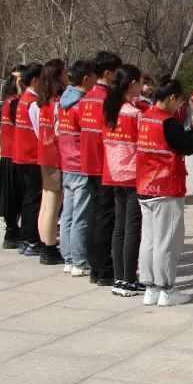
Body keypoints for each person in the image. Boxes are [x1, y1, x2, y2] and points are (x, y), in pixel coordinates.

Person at [137, 78, 193, 306]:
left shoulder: (145, 116)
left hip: (145, 187)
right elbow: (187, 146)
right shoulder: (166, 122)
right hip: (165, 187)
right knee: (167, 241)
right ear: (171, 98)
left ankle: (150, 287)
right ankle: (166, 289)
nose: (180, 107)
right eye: (179, 102)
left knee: (148, 240)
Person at [80, 50, 123, 287]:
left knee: (95, 214)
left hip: (88, 162)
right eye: (116, 73)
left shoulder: (85, 98)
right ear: (107, 73)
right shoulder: (107, 99)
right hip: (103, 164)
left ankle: (95, 266)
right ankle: (105, 269)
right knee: (106, 217)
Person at [103, 64, 145, 297]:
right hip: (131, 176)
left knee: (119, 228)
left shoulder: (110, 111)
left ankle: (120, 277)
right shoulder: (133, 114)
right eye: (139, 82)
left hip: (113, 174)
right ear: (132, 85)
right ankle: (128, 279)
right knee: (132, 230)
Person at [57, 60, 94, 276]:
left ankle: (69, 259)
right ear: (86, 79)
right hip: (80, 165)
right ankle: (79, 261)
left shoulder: (62, 104)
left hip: (67, 164)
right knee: (80, 216)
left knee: (68, 215)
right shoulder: (82, 106)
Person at [35, 59, 67, 265]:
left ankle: (44, 243)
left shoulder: (43, 101)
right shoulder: (58, 102)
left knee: (46, 203)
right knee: (53, 205)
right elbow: (60, 131)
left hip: (45, 154)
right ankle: (48, 247)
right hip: (56, 156)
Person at [11, 62, 44, 256]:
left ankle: (26, 237)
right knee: (34, 199)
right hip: (31, 157)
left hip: (22, 156)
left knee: (28, 199)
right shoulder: (32, 102)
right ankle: (32, 239)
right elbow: (40, 132)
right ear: (35, 80)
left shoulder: (24, 99)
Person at [0, 66, 23, 249]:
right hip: (14, 154)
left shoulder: (8, 101)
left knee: (10, 195)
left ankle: (12, 230)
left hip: (7, 153)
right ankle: (12, 231)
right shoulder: (15, 103)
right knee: (15, 196)